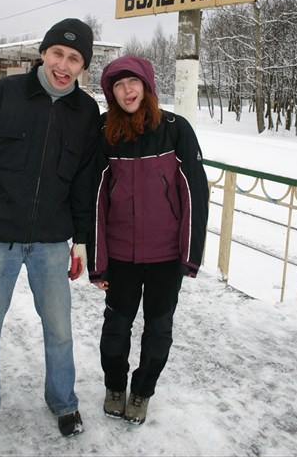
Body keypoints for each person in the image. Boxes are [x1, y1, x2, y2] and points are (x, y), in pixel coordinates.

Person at [0, 18, 100, 457]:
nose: (63, 65)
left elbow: (84, 181)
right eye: (58, 53)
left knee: (59, 331)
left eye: (74, 59)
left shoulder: (85, 112)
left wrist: (81, 239)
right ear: (43, 53)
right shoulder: (4, 94)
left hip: (51, 241)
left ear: (82, 66)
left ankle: (64, 402)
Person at [88, 55, 209, 426]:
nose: (128, 90)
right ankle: (114, 385)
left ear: (147, 85)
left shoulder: (174, 129)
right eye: (119, 84)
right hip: (121, 255)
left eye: (134, 82)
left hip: (165, 257)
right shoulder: (104, 130)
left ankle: (142, 391)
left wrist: (190, 254)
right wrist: (98, 262)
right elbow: (94, 198)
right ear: (111, 92)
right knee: (115, 329)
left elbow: (195, 193)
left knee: (158, 329)